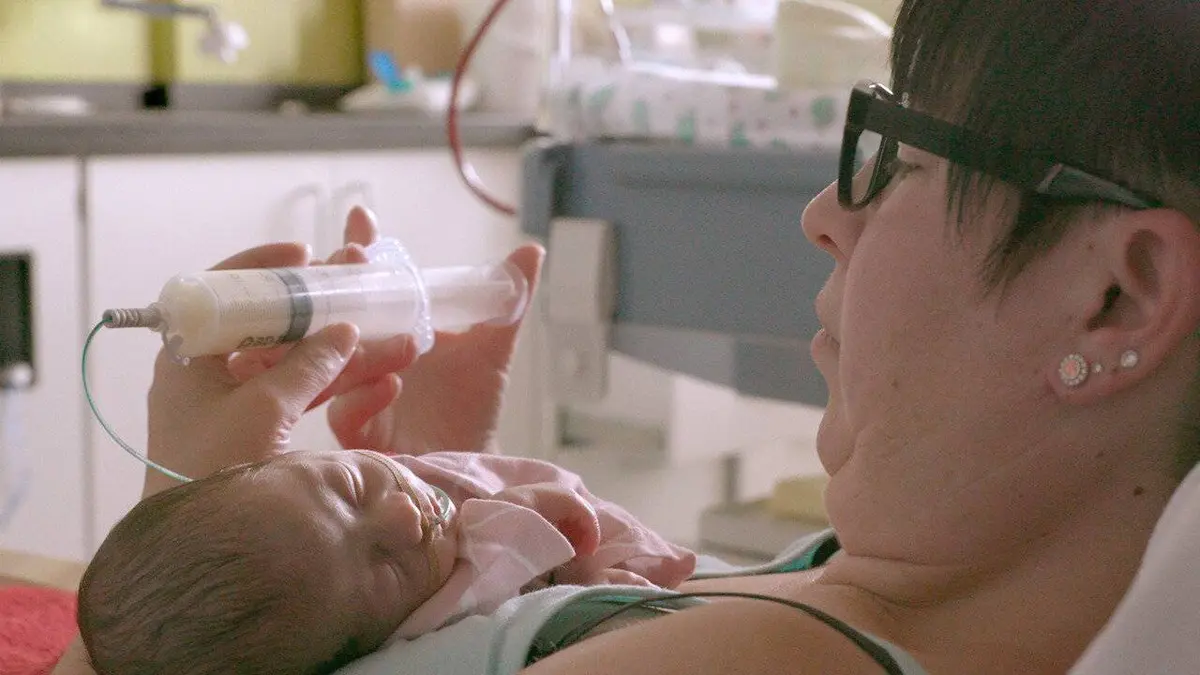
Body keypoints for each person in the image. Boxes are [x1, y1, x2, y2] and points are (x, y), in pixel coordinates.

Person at [56, 0, 1200, 672]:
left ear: (1117, 295)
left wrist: (189, 522)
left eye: (895, 156)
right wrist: (446, 565)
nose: (823, 216)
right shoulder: (895, 593)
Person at [74, 448, 695, 675]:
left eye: (348, 486)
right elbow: (530, 587)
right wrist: (574, 571)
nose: (403, 515)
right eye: (388, 571)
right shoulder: (446, 623)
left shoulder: (394, 489)